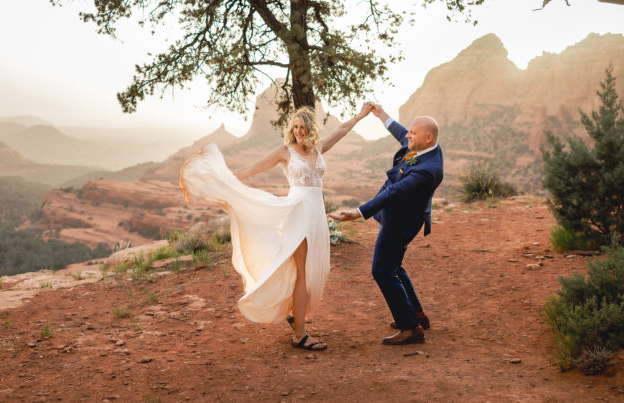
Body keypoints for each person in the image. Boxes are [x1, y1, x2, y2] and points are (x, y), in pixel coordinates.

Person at [179, 103, 372, 351]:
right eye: (296, 127)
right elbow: (251, 169)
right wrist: (222, 184)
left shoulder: (318, 149)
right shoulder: (285, 151)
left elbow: (342, 130)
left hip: (316, 216)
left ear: (311, 128)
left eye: (303, 127)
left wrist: (360, 115)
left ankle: (294, 314)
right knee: (302, 272)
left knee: (309, 271)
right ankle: (300, 334)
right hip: (298, 214)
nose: (299, 131)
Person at [329, 103, 443, 345]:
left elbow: (394, 193)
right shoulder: (425, 148)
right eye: (410, 131)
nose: (408, 136)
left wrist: (358, 213)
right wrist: (381, 115)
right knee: (394, 266)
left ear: (428, 138)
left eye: (413, 133)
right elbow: (401, 133)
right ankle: (416, 314)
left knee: (381, 270)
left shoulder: (428, 170)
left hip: (400, 223)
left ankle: (410, 328)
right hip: (400, 217)